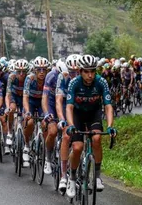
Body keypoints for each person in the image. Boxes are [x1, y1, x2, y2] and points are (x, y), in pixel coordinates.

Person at [65, 54, 115, 196]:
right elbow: (69, 107)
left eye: (92, 71)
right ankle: (72, 178)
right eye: (86, 72)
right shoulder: (74, 83)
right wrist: (70, 125)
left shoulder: (101, 82)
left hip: (93, 113)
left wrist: (110, 126)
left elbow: (108, 106)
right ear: (80, 71)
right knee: (77, 147)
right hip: (78, 115)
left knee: (97, 139)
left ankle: (97, 176)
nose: (90, 75)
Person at [55, 55, 79, 193]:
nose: (74, 74)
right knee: (66, 135)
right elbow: (58, 101)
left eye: (77, 71)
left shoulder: (85, 79)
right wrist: (62, 119)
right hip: (66, 106)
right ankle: (64, 175)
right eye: (72, 72)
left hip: (79, 107)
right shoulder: (62, 77)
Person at [23, 56, 49, 167]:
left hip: (44, 101)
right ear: (35, 70)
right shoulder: (30, 79)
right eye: (39, 69)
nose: (42, 72)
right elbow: (25, 97)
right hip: (32, 102)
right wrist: (28, 111)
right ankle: (27, 145)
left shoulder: (49, 79)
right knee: (29, 123)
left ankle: (46, 150)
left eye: (44, 70)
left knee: (47, 123)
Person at [42, 58, 63, 176]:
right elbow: (44, 97)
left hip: (64, 103)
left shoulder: (72, 76)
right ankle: (48, 159)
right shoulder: (50, 76)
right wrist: (46, 113)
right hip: (51, 103)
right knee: (53, 131)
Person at [5, 58, 29, 150]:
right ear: (16, 71)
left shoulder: (29, 78)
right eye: (19, 71)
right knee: (12, 108)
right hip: (14, 96)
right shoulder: (11, 77)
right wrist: (7, 107)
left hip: (24, 97)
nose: (21, 74)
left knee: (25, 116)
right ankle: (10, 132)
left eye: (23, 71)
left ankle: (26, 138)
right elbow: (7, 94)